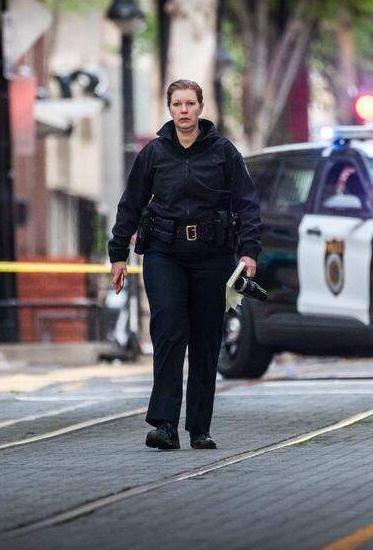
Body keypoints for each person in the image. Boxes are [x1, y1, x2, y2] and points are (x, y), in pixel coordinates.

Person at [108, 79, 262, 450]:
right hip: (164, 253)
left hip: (212, 255)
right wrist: (118, 255)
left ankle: (199, 428)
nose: (184, 110)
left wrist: (249, 251)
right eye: (177, 104)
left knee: (206, 339)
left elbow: (247, 204)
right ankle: (164, 425)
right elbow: (130, 204)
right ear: (169, 108)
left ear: (200, 107)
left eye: (190, 103)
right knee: (169, 330)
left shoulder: (224, 152)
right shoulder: (154, 154)